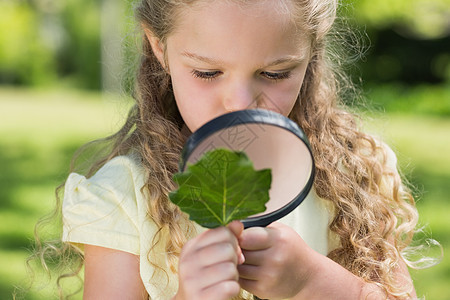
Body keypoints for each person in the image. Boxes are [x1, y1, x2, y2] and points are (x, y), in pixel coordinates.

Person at [30, 0, 436, 299]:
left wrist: (315, 283)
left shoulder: (353, 169)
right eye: (208, 73)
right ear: (158, 46)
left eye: (274, 73)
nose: (240, 101)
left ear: (311, 52)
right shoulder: (124, 197)